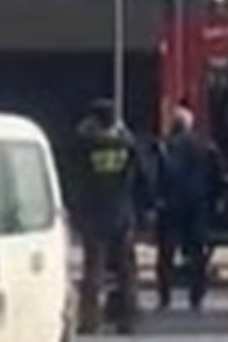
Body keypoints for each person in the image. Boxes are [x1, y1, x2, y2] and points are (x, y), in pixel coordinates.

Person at [73, 99, 146, 335]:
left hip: (93, 214)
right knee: (126, 270)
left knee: (93, 269)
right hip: (123, 213)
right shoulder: (127, 145)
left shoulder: (85, 146)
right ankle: (128, 319)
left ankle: (90, 320)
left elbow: (73, 178)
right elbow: (143, 177)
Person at [155, 106, 221, 312]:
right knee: (197, 253)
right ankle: (196, 297)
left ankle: (165, 298)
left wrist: (155, 202)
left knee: (166, 254)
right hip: (196, 206)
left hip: (170, 207)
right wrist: (212, 201)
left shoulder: (163, 147)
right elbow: (217, 176)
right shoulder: (206, 146)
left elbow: (156, 176)